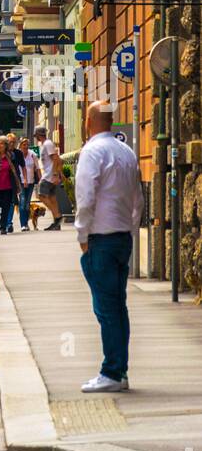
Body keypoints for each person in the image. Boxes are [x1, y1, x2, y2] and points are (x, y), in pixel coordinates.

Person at [75, 104, 143, 393]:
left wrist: (82, 234)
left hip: (100, 238)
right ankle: (119, 370)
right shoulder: (126, 152)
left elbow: (86, 196)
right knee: (118, 307)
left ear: (89, 121)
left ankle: (112, 372)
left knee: (106, 309)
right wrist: (131, 228)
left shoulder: (92, 152)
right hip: (122, 237)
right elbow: (138, 197)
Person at [0, 135, 22, 235]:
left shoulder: (11, 156)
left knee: (6, 208)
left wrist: (18, 183)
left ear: (6, 145)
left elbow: (16, 170)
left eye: (1, 143)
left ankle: (3, 227)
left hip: (8, 187)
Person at [34, 124, 63, 230]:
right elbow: (59, 160)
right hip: (50, 175)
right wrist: (60, 173)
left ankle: (58, 216)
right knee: (51, 198)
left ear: (38, 135)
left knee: (41, 195)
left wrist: (55, 174)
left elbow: (55, 159)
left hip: (48, 176)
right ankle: (56, 223)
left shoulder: (47, 144)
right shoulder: (45, 144)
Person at [17, 137, 41, 232]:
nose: (26, 146)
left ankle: (26, 224)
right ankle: (23, 224)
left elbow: (37, 168)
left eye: (27, 144)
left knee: (27, 204)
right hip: (21, 182)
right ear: (20, 145)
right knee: (22, 203)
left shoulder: (32, 155)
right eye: (24, 144)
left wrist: (41, 179)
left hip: (30, 181)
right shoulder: (18, 154)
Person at [4, 132, 25, 233]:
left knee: (12, 202)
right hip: (2, 180)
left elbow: (23, 166)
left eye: (14, 142)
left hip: (14, 181)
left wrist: (24, 179)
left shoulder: (18, 153)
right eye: (10, 142)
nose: (12, 144)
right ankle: (4, 222)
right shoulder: (1, 152)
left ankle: (8, 223)